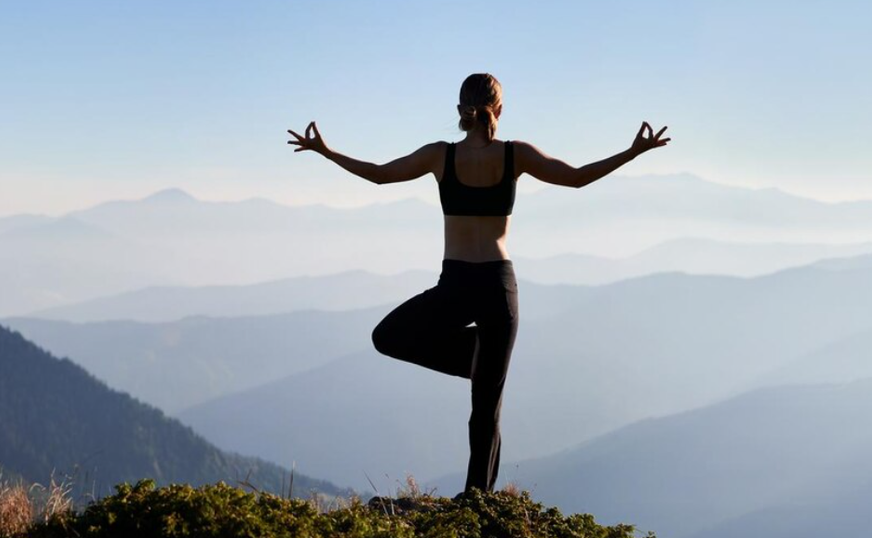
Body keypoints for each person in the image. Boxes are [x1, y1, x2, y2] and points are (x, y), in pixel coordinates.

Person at [286, 72, 670, 493]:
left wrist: (325, 152)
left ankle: (477, 486)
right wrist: (633, 153)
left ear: (460, 111)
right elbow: (576, 177)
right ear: (500, 111)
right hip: (498, 289)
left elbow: (380, 174)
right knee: (485, 410)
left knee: (390, 337)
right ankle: (478, 457)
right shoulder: (514, 155)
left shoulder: (440, 156)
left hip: (456, 285)